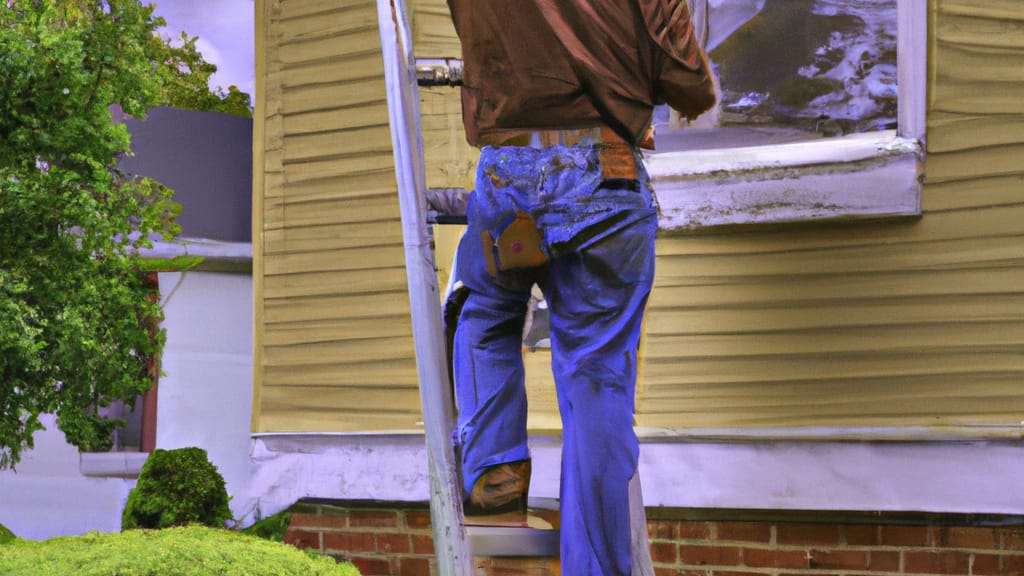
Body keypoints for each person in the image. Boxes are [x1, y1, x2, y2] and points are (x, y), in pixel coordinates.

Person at [445, 1, 716, 573]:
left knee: (484, 311)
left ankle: (495, 467)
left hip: (509, 183)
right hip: (603, 186)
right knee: (596, 378)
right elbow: (690, 86)